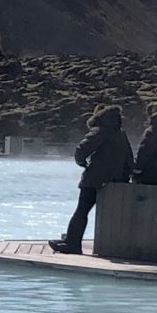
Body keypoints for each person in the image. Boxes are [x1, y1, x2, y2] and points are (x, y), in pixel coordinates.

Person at [50, 105, 133, 254]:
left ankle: (72, 244)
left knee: (82, 211)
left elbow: (81, 149)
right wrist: (123, 177)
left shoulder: (100, 131)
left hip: (95, 179)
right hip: (115, 181)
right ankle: (111, 247)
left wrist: (82, 163)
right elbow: (129, 159)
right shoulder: (121, 134)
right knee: (111, 215)